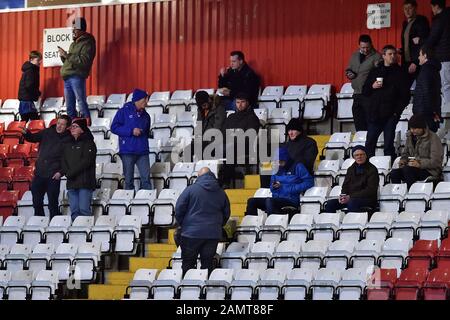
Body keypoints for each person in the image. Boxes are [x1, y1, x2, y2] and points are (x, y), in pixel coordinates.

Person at [175, 167, 230, 276]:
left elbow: (179, 208)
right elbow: (226, 213)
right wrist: (218, 225)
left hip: (191, 233)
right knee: (207, 264)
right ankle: (205, 291)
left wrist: (184, 224)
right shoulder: (221, 192)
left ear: (199, 176)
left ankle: (188, 289)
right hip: (212, 234)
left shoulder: (191, 189)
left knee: (188, 265)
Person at [363, 45, 411, 161]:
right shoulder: (375, 71)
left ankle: (389, 172)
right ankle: (369, 170)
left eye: (394, 54)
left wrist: (396, 112)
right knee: (369, 144)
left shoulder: (400, 73)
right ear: (383, 56)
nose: (393, 56)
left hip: (391, 114)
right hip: (375, 114)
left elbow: (405, 96)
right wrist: (372, 86)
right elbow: (365, 91)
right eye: (390, 54)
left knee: (389, 145)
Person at [21, 115, 72, 218]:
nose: (59, 126)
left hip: (53, 175)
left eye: (62, 124)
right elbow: (33, 138)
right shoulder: (47, 132)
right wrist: (27, 133)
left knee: (53, 204)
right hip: (39, 173)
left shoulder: (69, 139)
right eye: (58, 123)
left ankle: (54, 227)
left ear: (67, 127)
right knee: (36, 202)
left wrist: (60, 172)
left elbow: (68, 160)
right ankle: (39, 223)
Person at [246, 147, 314, 216]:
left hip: (291, 200)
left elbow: (309, 182)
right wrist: (274, 187)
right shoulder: (275, 169)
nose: (278, 164)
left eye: (281, 162)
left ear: (286, 160)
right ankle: (251, 224)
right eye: (276, 161)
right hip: (276, 199)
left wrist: (291, 188)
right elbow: (272, 188)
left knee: (269, 201)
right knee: (251, 201)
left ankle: (272, 224)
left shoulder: (297, 167)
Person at [111, 88, 152, 191]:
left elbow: (146, 132)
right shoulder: (123, 112)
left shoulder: (146, 116)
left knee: (146, 179)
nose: (147, 102)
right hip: (127, 151)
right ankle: (129, 203)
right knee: (128, 180)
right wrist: (131, 131)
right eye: (145, 99)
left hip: (142, 151)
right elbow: (114, 127)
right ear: (138, 100)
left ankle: (145, 201)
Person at [58, 17, 96, 123]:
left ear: (81, 29)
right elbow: (70, 61)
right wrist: (63, 56)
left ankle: (86, 124)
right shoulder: (73, 43)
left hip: (77, 76)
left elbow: (84, 61)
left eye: (75, 28)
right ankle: (72, 125)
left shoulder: (88, 42)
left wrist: (67, 55)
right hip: (67, 77)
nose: (73, 30)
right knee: (69, 105)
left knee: (80, 101)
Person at [390, 115, 443, 188]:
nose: (412, 130)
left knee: (408, 171)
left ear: (422, 127)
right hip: (412, 169)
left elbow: (436, 161)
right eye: (411, 128)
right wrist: (403, 160)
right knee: (394, 173)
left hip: (430, 171)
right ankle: (397, 195)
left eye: (415, 128)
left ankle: (410, 195)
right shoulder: (410, 137)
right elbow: (405, 153)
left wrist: (419, 164)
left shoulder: (433, 138)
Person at [222, 92, 261, 188]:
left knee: (230, 150)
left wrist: (233, 138)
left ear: (247, 103)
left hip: (245, 146)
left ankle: (225, 182)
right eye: (237, 102)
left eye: (242, 102)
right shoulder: (231, 117)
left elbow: (250, 136)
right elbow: (223, 133)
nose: (239, 105)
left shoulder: (252, 118)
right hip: (229, 145)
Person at [61, 118, 97, 221]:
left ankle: (86, 233)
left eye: (75, 127)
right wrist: (67, 171)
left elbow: (86, 161)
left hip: (85, 182)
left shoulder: (89, 143)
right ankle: (76, 235)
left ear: (82, 129)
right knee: (75, 210)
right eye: (71, 127)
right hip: (72, 182)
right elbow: (63, 160)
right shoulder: (67, 144)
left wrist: (70, 172)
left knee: (84, 209)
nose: (72, 129)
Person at [324, 146, 379, 213]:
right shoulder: (351, 169)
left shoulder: (372, 169)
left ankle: (352, 222)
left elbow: (370, 190)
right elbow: (345, 185)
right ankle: (332, 222)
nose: (359, 157)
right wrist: (343, 196)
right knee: (330, 204)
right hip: (351, 198)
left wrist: (350, 197)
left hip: (367, 199)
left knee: (352, 203)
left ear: (366, 155)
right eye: (357, 155)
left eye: (361, 154)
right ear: (354, 157)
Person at [345, 34, 382, 131]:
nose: (365, 50)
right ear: (359, 46)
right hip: (356, 94)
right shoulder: (354, 56)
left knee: (370, 123)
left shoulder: (377, 57)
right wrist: (349, 73)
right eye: (363, 47)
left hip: (369, 95)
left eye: (367, 47)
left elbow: (381, 73)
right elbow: (349, 69)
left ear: (371, 45)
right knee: (358, 123)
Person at [425, 0, 450, 104]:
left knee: (446, 86)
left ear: (435, 6)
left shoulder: (439, 19)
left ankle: (449, 114)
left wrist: (422, 43)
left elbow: (432, 39)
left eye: (432, 7)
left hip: (445, 57)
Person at [412, 46, 442, 132]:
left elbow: (427, 92)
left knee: (425, 140)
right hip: (430, 111)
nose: (418, 57)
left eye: (420, 55)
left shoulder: (426, 70)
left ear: (425, 56)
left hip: (424, 113)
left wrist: (432, 112)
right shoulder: (433, 69)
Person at [400, 0, 430, 85]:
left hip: (417, 61)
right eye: (405, 8)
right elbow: (409, 43)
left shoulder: (421, 21)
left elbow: (424, 43)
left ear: (415, 8)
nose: (407, 10)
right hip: (406, 61)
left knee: (422, 88)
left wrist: (416, 62)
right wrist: (401, 50)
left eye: (410, 8)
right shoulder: (405, 23)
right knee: (404, 87)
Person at [18, 50, 42, 122]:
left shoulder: (29, 69)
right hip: (27, 99)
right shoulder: (31, 70)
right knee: (34, 120)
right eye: (38, 60)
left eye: (40, 60)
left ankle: (21, 132)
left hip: (25, 99)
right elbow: (29, 85)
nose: (40, 62)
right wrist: (37, 93)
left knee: (24, 120)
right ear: (31, 59)